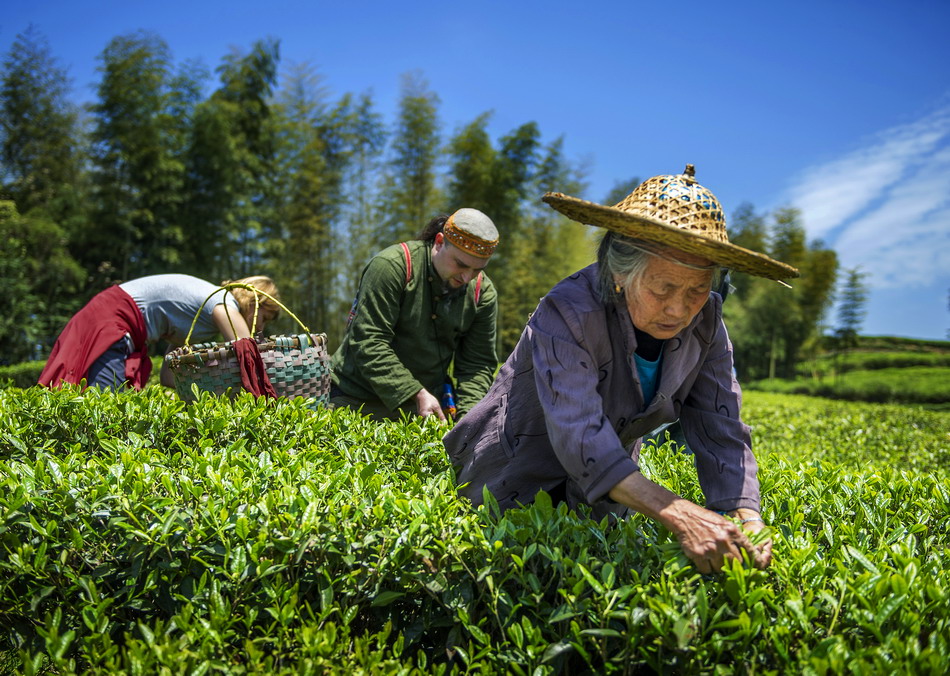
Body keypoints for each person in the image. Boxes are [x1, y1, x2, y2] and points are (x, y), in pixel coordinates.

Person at [443, 165, 799, 574]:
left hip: (608, 490)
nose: (678, 309)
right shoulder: (568, 310)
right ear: (619, 274)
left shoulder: (707, 321)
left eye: (697, 290)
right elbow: (579, 432)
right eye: (662, 288)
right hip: (512, 469)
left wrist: (745, 517)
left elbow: (720, 428)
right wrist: (682, 514)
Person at [330, 208, 499, 421]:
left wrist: (468, 421)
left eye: (477, 270)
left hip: (426, 410)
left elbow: (476, 366)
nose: (467, 277)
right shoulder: (393, 266)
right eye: (460, 264)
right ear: (439, 242)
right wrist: (415, 393)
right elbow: (368, 342)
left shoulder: (482, 292)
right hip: (355, 399)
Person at [38, 273, 281, 391]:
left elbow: (168, 376)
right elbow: (247, 352)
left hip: (114, 320)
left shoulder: (199, 324)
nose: (260, 327)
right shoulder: (222, 303)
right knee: (104, 399)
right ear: (254, 302)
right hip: (113, 318)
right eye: (264, 318)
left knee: (106, 397)